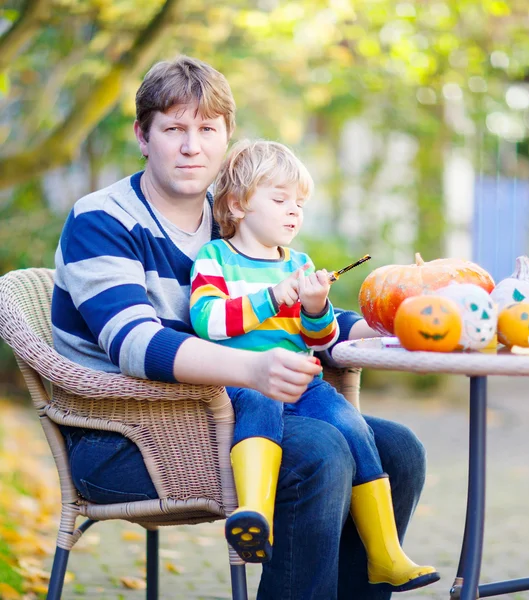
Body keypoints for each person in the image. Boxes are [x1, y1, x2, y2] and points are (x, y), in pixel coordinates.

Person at [51, 54, 438, 599]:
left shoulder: (232, 214)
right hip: (123, 437)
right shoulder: (104, 220)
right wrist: (254, 368)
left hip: (225, 416)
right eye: (173, 129)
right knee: (321, 452)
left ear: (226, 135)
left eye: (207, 130)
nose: (192, 147)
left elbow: (291, 303)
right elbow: (136, 345)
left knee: (399, 449)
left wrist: (384, 328)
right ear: (142, 135)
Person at [189, 138, 439, 591]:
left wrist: (316, 307)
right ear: (238, 204)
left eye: (300, 203)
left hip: (305, 384)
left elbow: (319, 341)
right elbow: (207, 322)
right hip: (245, 381)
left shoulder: (300, 264)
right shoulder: (216, 259)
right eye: (280, 199)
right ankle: (255, 520)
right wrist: (270, 298)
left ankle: (384, 552)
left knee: (354, 427)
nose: (294, 212)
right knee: (260, 408)